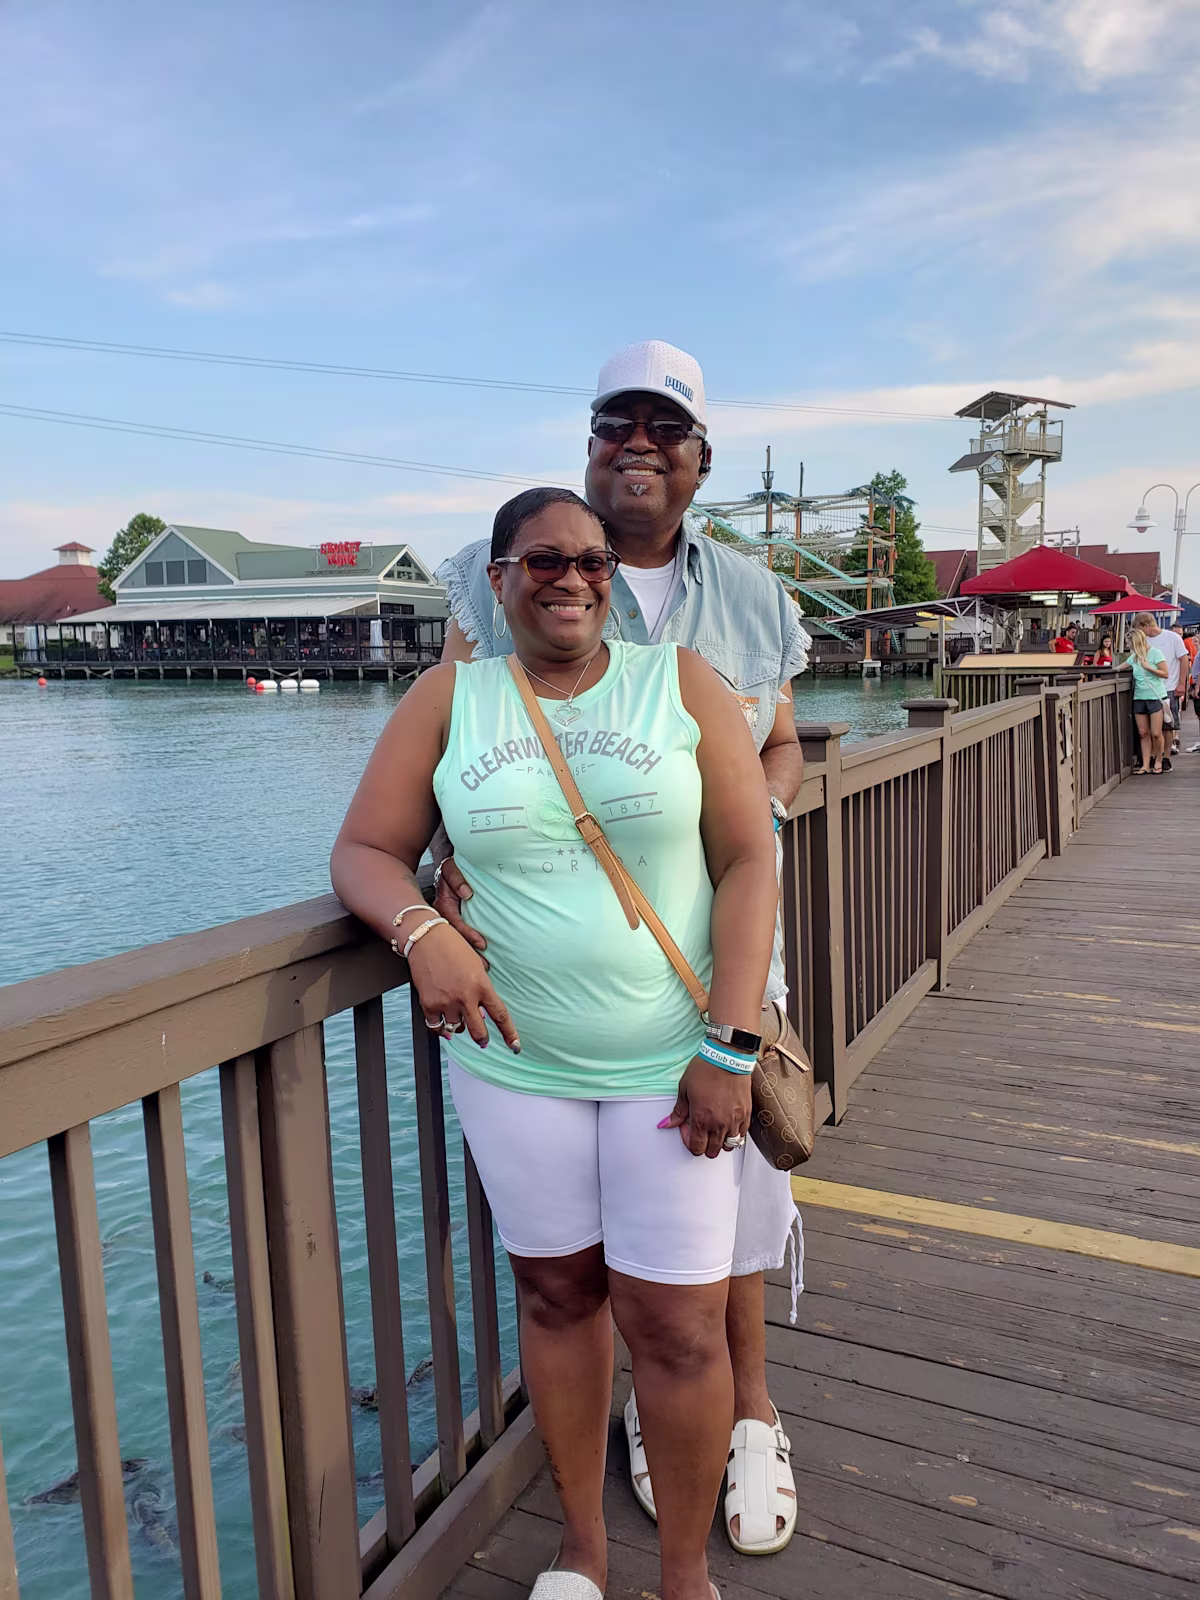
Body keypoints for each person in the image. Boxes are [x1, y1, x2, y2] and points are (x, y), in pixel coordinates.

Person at [331, 486, 780, 1600]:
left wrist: (730, 1042)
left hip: (674, 1065)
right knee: (556, 1296)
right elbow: (363, 850)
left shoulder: (679, 684)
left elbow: (748, 860)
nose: (571, 577)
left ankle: (683, 1574)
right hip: (514, 1062)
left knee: (676, 1323)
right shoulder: (452, 697)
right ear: (498, 581)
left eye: (588, 559)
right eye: (542, 561)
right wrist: (422, 927)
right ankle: (583, 1545)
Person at [435, 341, 808, 1556]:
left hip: (708, 961)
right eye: (616, 423)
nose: (638, 442)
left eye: (666, 426)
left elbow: (783, 751)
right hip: (544, 1005)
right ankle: (653, 1433)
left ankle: (745, 1409)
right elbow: (450, 737)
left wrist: (753, 817)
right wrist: (434, 887)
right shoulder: (483, 579)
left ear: (701, 455)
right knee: (588, 1267)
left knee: (736, 1202)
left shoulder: (748, 597)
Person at [1136, 613, 1188, 768]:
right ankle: (1152, 757)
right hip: (1149, 688)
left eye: (1138, 627)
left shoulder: (1172, 637)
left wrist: (1181, 683)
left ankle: (1166, 757)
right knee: (1152, 727)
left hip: (1169, 686)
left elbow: (1183, 659)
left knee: (1167, 725)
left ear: (1145, 625)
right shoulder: (1142, 640)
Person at [1127, 625, 1169, 775]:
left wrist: (1148, 667)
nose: (1129, 646)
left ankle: (1158, 760)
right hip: (1139, 697)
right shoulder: (1133, 658)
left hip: (1155, 696)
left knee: (1156, 732)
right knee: (1143, 732)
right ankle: (1145, 764)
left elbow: (1165, 674)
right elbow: (1119, 667)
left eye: (1130, 643)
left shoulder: (1155, 653)